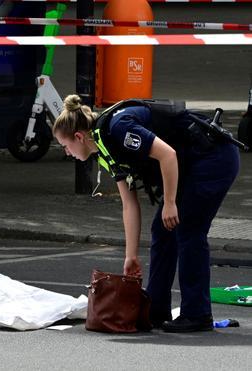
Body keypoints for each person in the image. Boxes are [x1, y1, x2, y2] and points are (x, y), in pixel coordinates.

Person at [52, 94, 239, 333]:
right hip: (192, 165)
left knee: (188, 229)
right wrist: (131, 257)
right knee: (162, 231)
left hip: (214, 158)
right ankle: (157, 310)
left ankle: (197, 313)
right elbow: (129, 204)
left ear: (79, 136)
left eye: (65, 146)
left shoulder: (119, 129)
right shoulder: (105, 147)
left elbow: (167, 155)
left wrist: (170, 202)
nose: (67, 153)